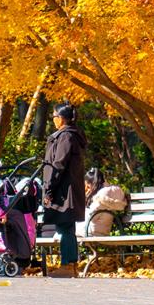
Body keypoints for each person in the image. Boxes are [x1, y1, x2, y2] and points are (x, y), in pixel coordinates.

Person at [41, 104, 87, 276]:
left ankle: (68, 265)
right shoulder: (71, 135)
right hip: (68, 188)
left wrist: (49, 189)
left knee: (66, 227)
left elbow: (58, 164)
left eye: (54, 116)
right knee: (67, 227)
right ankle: (71, 265)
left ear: (61, 118)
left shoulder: (66, 136)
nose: (53, 120)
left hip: (64, 190)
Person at [83, 169, 129, 237]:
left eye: (88, 187)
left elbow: (91, 217)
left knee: (67, 231)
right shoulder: (111, 192)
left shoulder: (100, 197)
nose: (87, 189)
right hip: (104, 230)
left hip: (91, 232)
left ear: (93, 184)